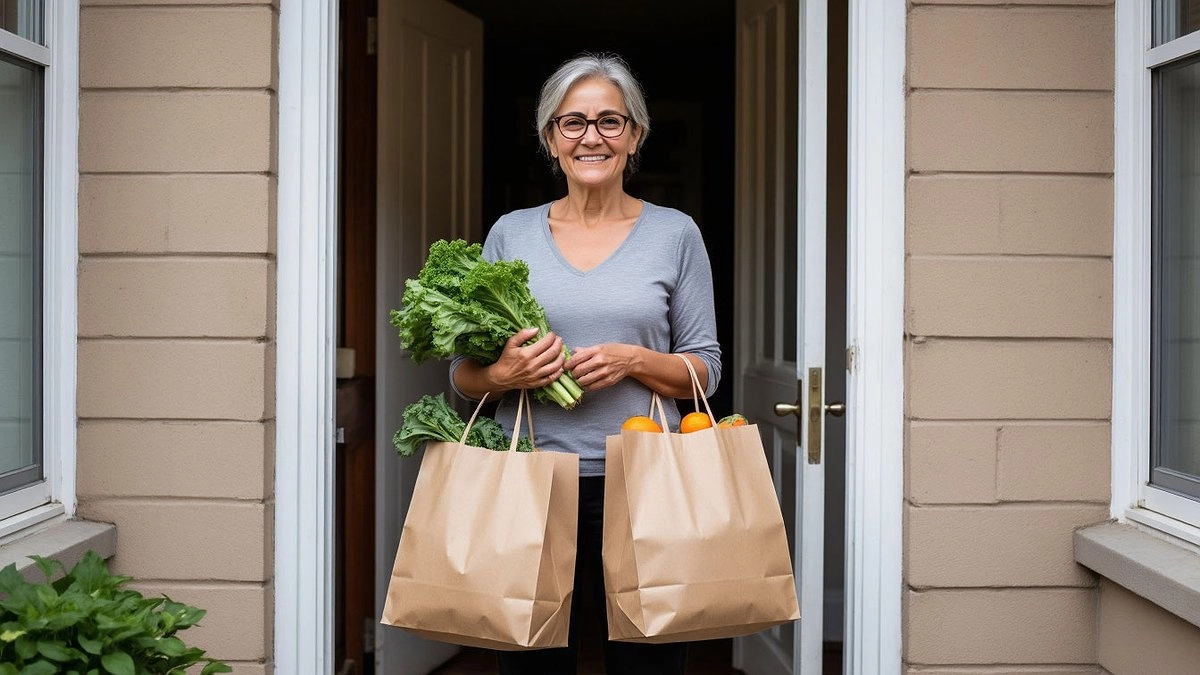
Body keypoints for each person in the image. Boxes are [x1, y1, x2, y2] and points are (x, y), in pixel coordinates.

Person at [450, 52, 722, 675]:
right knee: (532, 664)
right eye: (572, 123)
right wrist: (503, 375)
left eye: (609, 121)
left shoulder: (675, 234)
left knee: (650, 664)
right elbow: (463, 375)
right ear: (550, 138)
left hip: (648, 482)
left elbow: (706, 370)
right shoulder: (511, 234)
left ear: (635, 135)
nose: (591, 137)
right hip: (531, 483)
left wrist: (636, 360)